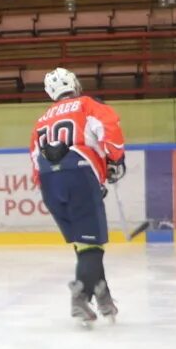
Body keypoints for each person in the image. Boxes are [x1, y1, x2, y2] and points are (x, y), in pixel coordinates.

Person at [30, 67, 127, 327]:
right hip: (79, 174)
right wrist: (116, 161)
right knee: (92, 244)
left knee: (84, 244)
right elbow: (109, 128)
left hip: (50, 184)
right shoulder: (87, 104)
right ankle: (81, 295)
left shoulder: (41, 120)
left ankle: (102, 293)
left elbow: (34, 160)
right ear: (74, 83)